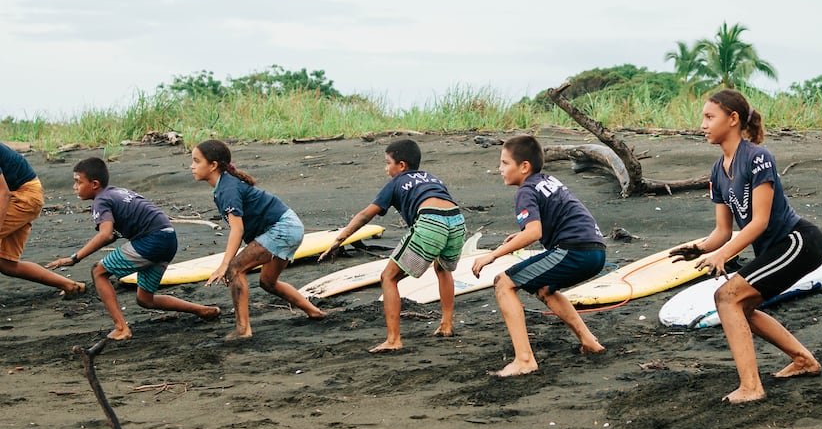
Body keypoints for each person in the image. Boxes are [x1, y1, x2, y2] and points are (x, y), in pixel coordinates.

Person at [670, 88, 822, 404]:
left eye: (709, 117)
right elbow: (722, 231)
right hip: (775, 250)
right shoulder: (718, 171)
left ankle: (751, 387)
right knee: (741, 306)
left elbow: (759, 222)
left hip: (797, 242)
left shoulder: (757, 157)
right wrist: (700, 248)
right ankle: (803, 360)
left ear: (733, 119)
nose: (702, 124)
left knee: (726, 297)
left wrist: (722, 255)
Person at [469, 134, 606, 377]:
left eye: (505, 163)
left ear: (524, 166)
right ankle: (589, 342)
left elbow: (534, 232)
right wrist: (519, 235)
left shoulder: (526, 191)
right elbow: (552, 218)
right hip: (595, 250)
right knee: (544, 288)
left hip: (574, 250)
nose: (500, 169)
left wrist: (493, 255)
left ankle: (524, 360)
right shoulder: (546, 180)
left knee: (503, 283)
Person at [46, 157, 220, 339]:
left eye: (78, 182)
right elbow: (113, 234)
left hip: (151, 241)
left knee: (99, 272)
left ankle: (121, 328)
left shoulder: (101, 201)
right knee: (145, 299)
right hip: (168, 239)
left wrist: (75, 258)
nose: (74, 187)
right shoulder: (117, 192)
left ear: (95, 184)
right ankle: (202, 310)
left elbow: (105, 235)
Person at [319, 139, 466, 353]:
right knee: (443, 269)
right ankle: (447, 324)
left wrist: (339, 240)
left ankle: (393, 340)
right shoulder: (432, 178)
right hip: (456, 220)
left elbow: (365, 215)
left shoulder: (396, 182)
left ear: (402, 165)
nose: (386, 168)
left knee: (388, 277)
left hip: (431, 220)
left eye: (388, 163)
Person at [190, 139, 326, 339]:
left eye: (196, 161)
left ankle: (243, 330)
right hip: (289, 227)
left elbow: (237, 230)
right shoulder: (224, 185)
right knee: (268, 282)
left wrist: (225, 264)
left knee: (234, 270)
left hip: (282, 228)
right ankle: (314, 312)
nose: (191, 166)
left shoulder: (227, 189)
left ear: (213, 165)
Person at [1, 142, 87, 295]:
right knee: (6, 263)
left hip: (23, 196)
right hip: (19, 193)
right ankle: (71, 286)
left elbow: (4, 193)